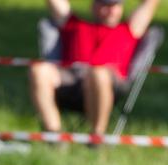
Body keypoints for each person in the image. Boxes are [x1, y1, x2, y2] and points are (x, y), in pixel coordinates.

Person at [28, 0, 159, 136]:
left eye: (114, 6)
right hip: (70, 79)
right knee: (39, 70)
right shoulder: (74, 24)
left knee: (98, 72)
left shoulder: (129, 30)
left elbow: (149, 3)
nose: (110, 10)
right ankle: (53, 133)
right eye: (105, 5)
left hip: (109, 83)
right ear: (93, 6)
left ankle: (97, 135)